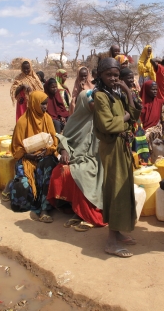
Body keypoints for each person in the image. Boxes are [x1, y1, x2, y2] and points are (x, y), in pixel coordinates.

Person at [93, 57, 141, 258]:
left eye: (116, 75)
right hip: (111, 146)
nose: (113, 78)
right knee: (115, 189)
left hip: (123, 144)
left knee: (124, 186)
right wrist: (127, 117)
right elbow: (108, 124)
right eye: (109, 75)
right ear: (101, 76)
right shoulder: (100, 97)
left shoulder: (117, 93)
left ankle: (118, 231)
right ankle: (111, 242)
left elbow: (135, 114)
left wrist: (128, 92)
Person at [47, 90, 106, 231]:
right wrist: (64, 150)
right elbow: (64, 138)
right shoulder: (74, 120)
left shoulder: (102, 118)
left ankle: (85, 214)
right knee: (59, 171)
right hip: (76, 157)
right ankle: (74, 208)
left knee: (81, 174)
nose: (94, 105)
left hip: (98, 160)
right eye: (91, 102)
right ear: (83, 103)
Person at [10, 91, 59, 223]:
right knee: (23, 186)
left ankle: (44, 209)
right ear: (34, 104)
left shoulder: (47, 119)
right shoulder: (22, 122)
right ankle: (15, 190)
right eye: (42, 104)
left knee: (48, 169)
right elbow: (16, 147)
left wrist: (47, 151)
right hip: (27, 158)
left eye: (46, 104)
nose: (45, 107)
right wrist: (27, 154)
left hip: (44, 156)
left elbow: (54, 142)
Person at [119, 68, 150, 165]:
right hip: (128, 123)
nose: (131, 80)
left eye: (132, 78)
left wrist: (139, 105)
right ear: (121, 79)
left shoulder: (134, 92)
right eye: (129, 78)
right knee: (132, 144)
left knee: (140, 143)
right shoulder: (120, 94)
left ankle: (143, 162)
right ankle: (134, 164)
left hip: (138, 122)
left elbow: (139, 106)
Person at [139, 80, 164, 156]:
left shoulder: (159, 102)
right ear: (147, 90)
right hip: (144, 133)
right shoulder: (140, 104)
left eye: (156, 89)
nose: (155, 91)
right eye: (153, 89)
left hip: (156, 132)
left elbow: (163, 118)